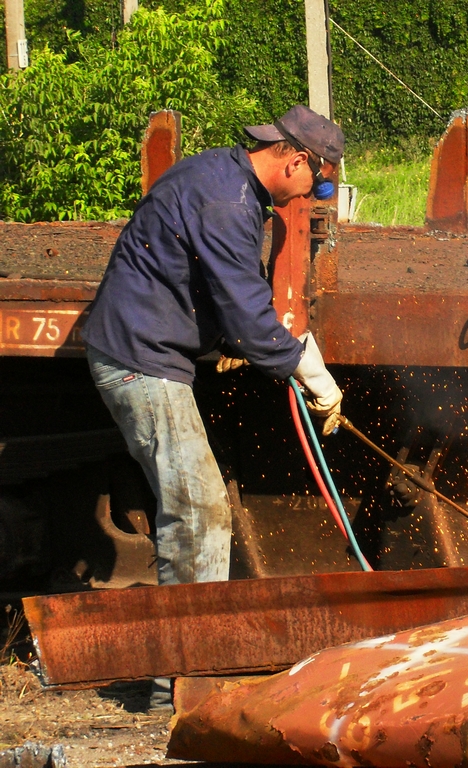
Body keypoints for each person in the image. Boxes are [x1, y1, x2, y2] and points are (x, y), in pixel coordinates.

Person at [82, 105, 343, 597]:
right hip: (141, 360)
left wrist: (227, 339)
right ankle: (185, 671)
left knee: (196, 508)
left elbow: (207, 283)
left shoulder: (224, 176)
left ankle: (184, 669)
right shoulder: (227, 200)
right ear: (296, 162)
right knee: (198, 511)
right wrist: (308, 367)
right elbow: (247, 312)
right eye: (318, 183)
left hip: (146, 350)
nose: (313, 194)